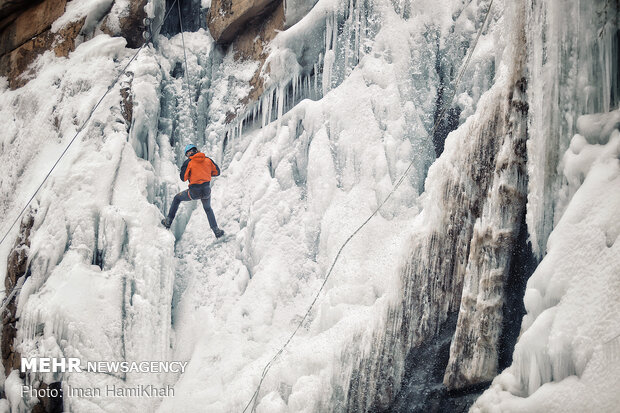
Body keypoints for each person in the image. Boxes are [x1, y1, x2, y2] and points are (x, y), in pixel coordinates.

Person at [161, 144, 225, 238]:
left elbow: (183, 178)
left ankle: (168, 222)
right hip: (206, 191)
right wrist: (205, 173)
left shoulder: (188, 162)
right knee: (208, 209)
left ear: (188, 153)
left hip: (194, 192)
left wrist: (192, 173)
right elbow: (217, 172)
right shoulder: (207, 159)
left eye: (187, 154)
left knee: (177, 198)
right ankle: (217, 231)